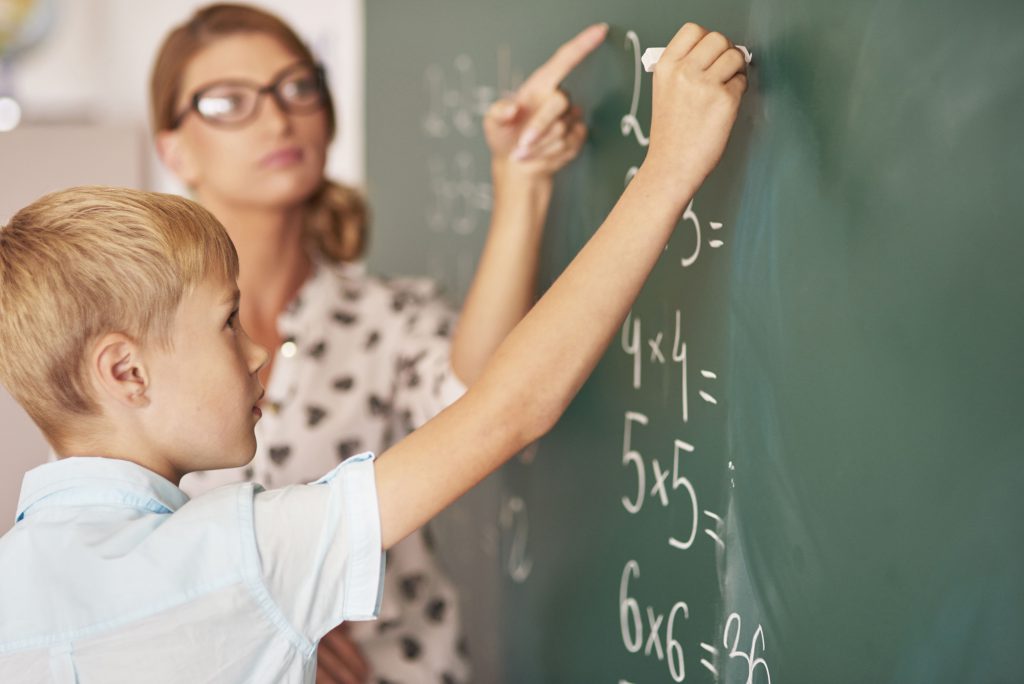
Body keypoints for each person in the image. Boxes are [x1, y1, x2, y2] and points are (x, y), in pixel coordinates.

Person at [0, 21, 748, 684]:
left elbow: (475, 395)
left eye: (297, 88)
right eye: (228, 324)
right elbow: (505, 411)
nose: (262, 352)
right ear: (125, 371)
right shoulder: (243, 556)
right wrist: (669, 168)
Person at [149, 5, 604, 681]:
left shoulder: (390, 317)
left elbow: (484, 404)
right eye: (228, 102)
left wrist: (521, 181)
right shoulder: (137, 342)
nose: (278, 120)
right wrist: (259, 634)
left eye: (298, 87)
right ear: (174, 149)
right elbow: (95, 539)